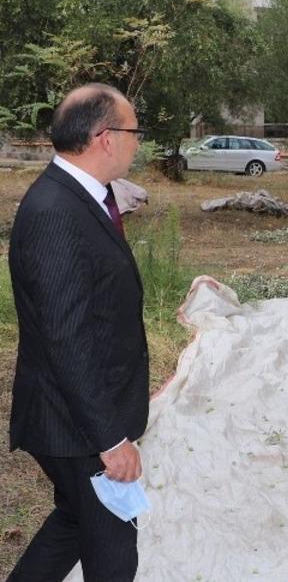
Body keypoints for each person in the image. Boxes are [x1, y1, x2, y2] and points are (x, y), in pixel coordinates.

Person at [7, 84, 149, 581]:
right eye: (134, 131)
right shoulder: (55, 211)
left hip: (78, 413)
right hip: (75, 425)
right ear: (106, 137)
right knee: (113, 549)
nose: (138, 142)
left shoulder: (82, 196)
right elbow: (66, 338)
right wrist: (110, 440)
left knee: (73, 519)